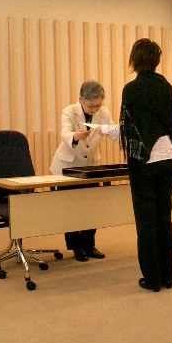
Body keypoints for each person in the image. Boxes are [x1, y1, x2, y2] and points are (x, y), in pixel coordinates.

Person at [119, 38, 172, 292]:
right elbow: (171, 121)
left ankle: (152, 278)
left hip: (143, 161)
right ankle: (167, 276)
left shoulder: (131, 89)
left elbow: (127, 128)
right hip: (167, 157)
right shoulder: (165, 86)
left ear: (134, 59)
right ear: (156, 60)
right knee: (164, 218)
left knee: (146, 221)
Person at [50, 80, 119, 262]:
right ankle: (76, 247)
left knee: (91, 206)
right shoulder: (69, 111)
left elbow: (112, 130)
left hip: (91, 166)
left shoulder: (104, 112)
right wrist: (75, 136)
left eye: (98, 105)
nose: (95, 109)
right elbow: (65, 133)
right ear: (81, 99)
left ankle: (89, 245)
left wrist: (118, 132)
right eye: (90, 106)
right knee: (71, 208)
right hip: (67, 166)